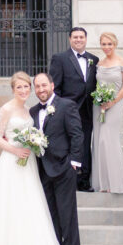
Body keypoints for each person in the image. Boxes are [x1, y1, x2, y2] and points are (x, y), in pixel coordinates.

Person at [0, 72, 66, 245]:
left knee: (30, 204)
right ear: (13, 89)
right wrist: (15, 150)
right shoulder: (6, 109)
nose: (24, 91)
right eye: (20, 87)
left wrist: (33, 145)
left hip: (28, 164)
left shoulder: (29, 110)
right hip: (11, 161)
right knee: (12, 205)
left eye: (27, 87)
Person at [29, 72, 84, 245]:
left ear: (52, 85)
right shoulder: (33, 111)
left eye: (44, 85)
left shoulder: (66, 105)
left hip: (63, 167)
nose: (41, 90)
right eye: (37, 87)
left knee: (66, 213)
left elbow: (77, 135)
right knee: (50, 213)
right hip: (42, 169)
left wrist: (74, 163)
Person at [49, 27, 99, 191]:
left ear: (86, 39)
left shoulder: (94, 59)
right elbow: (55, 87)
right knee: (68, 144)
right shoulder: (60, 58)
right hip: (68, 109)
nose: (78, 40)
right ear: (70, 39)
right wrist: (57, 107)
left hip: (88, 110)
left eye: (81, 37)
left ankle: (84, 180)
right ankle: (67, 179)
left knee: (84, 145)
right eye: (75, 37)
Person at [92, 32, 123, 194]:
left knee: (110, 140)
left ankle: (117, 183)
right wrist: (101, 101)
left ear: (115, 44)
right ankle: (104, 183)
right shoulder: (99, 63)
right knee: (100, 142)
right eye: (104, 44)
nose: (107, 47)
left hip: (116, 104)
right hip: (100, 105)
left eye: (109, 44)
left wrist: (112, 101)